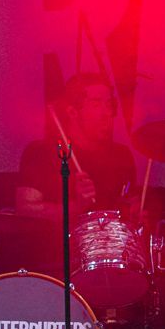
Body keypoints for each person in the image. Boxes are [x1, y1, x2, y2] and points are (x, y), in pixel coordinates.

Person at [16, 72, 136, 221]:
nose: (107, 114)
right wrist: (76, 207)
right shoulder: (42, 152)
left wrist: (135, 213)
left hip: (111, 243)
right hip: (57, 243)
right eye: (96, 104)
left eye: (109, 105)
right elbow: (26, 209)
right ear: (72, 112)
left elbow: (129, 205)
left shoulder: (121, 156)